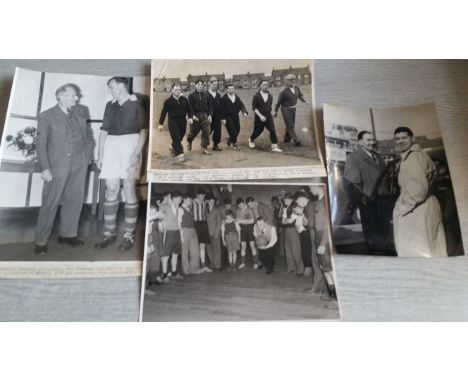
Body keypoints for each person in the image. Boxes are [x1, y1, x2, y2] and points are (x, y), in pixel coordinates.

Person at [34, 83, 95, 255]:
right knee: (50, 203)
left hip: (79, 164)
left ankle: (68, 235)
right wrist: (45, 168)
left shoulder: (81, 111)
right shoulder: (46, 116)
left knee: (74, 201)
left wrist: (87, 155)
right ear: (60, 96)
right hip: (57, 166)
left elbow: (89, 136)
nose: (77, 98)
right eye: (73, 95)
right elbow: (41, 144)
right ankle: (40, 241)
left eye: (76, 95)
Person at [95, 77, 148, 251]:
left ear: (120, 86)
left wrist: (136, 153)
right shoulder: (110, 105)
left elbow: (143, 130)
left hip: (130, 144)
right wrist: (100, 155)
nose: (109, 90)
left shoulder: (137, 103)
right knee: (111, 188)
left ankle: (128, 235)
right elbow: (103, 132)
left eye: (111, 87)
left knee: (128, 189)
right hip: (111, 144)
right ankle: (109, 234)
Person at [393, 126, 447, 257]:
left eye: (404, 138)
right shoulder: (416, 154)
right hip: (425, 205)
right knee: (432, 247)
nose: (401, 141)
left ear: (412, 138)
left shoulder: (413, 157)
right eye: (397, 138)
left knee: (418, 250)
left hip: (417, 209)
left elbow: (418, 189)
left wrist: (401, 209)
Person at [343, 130, 393, 254]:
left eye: (373, 140)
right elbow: (352, 182)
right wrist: (363, 198)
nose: (372, 143)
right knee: (373, 236)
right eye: (368, 140)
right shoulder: (353, 158)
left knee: (385, 232)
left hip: (383, 201)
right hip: (369, 202)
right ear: (360, 142)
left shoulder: (378, 157)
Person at [307, 185, 337, 300]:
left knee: (329, 267)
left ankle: (338, 296)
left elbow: (328, 225)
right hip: (318, 236)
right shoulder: (318, 201)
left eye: (311, 187)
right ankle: (332, 294)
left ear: (318, 187)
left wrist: (323, 244)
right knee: (323, 267)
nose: (310, 190)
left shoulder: (325, 201)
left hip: (324, 238)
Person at [296, 191, 325, 293]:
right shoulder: (310, 205)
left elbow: (312, 224)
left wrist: (306, 223)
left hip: (315, 234)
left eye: (298, 201)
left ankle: (317, 286)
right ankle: (318, 286)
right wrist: (306, 223)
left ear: (302, 198)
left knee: (316, 260)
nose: (298, 204)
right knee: (317, 260)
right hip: (314, 233)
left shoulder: (310, 206)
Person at [158, 84, 193, 163]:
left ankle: (172, 146)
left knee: (181, 134)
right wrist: (160, 124)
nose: (178, 91)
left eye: (179, 90)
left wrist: (190, 117)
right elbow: (163, 113)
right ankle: (180, 154)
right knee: (176, 136)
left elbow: (190, 109)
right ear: (172, 90)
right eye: (176, 89)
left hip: (182, 120)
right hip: (172, 121)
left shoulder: (184, 99)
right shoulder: (167, 101)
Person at [249, 80, 283, 153]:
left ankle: (274, 146)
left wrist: (272, 112)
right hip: (259, 116)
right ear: (260, 86)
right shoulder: (256, 96)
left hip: (268, 115)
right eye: (264, 85)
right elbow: (254, 108)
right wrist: (260, 116)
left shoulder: (270, 95)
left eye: (267, 84)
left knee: (272, 130)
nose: (265, 86)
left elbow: (269, 106)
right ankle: (251, 139)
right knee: (258, 131)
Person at [273, 73, 307, 146]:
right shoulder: (283, 91)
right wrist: (275, 111)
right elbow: (278, 102)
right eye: (291, 80)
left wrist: (304, 100)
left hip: (293, 108)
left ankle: (286, 139)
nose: (293, 81)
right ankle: (297, 141)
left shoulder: (296, 87)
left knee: (291, 125)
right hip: (285, 109)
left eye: (294, 79)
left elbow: (300, 95)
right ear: (286, 81)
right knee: (290, 125)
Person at [159, 191, 184, 282]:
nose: (180, 201)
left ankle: (174, 273)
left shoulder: (177, 207)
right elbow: (159, 216)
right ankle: (164, 275)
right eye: (179, 199)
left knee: (175, 254)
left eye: (181, 199)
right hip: (168, 232)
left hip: (176, 232)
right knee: (166, 255)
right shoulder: (164, 206)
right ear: (172, 198)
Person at [187, 80, 213, 155]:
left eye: (202, 84)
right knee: (193, 132)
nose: (200, 86)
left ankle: (204, 148)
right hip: (195, 115)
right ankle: (189, 140)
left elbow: (210, 106)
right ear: (195, 85)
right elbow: (189, 108)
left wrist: (210, 115)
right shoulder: (191, 95)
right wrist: (192, 116)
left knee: (206, 131)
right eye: (198, 84)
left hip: (205, 115)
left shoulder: (206, 95)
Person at [220, 83, 248, 151]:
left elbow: (241, 105)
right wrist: (223, 118)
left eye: (232, 89)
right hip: (228, 117)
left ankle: (230, 139)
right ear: (227, 90)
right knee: (232, 130)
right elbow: (221, 109)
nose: (232, 90)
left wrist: (244, 112)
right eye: (230, 89)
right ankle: (235, 144)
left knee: (237, 129)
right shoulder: (224, 98)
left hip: (235, 116)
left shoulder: (236, 97)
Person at [281, 194, 304, 276]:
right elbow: (282, 221)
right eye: (284, 200)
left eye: (286, 200)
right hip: (287, 230)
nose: (284, 202)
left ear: (291, 200)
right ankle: (291, 268)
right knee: (288, 250)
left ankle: (300, 270)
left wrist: (286, 220)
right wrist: (286, 219)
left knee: (295, 250)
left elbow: (290, 221)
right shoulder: (286, 208)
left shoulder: (296, 206)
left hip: (294, 230)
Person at [178, 194, 201, 274]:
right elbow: (179, 222)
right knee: (185, 251)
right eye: (188, 200)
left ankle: (194, 268)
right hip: (184, 230)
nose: (190, 202)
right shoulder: (180, 209)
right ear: (184, 200)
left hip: (192, 230)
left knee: (195, 250)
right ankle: (186, 270)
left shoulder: (190, 209)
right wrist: (181, 236)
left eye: (191, 200)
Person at [146, 194, 164, 288]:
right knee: (153, 256)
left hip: (155, 234)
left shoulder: (155, 208)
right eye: (158, 201)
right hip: (152, 233)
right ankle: (151, 278)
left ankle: (154, 276)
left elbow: (157, 221)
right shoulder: (150, 207)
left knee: (156, 255)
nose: (159, 203)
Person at [193, 188, 212, 272]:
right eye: (200, 195)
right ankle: (195, 266)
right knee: (195, 246)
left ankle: (203, 265)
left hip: (204, 224)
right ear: (197, 195)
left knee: (203, 246)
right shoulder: (192, 202)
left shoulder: (205, 202)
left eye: (203, 195)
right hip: (195, 224)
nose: (202, 197)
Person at [235, 197, 258, 269]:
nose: (240, 207)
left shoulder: (249, 209)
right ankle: (243, 262)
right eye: (239, 206)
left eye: (241, 205)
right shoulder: (237, 211)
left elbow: (252, 221)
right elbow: (237, 221)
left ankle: (255, 263)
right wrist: (243, 221)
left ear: (244, 203)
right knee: (243, 247)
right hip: (242, 230)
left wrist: (241, 221)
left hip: (250, 229)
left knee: (252, 246)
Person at [206, 193, 222, 270]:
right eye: (210, 200)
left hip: (215, 233)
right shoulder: (204, 209)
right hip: (206, 233)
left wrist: (216, 233)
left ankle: (217, 265)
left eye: (213, 200)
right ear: (207, 201)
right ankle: (212, 264)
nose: (211, 202)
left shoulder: (216, 209)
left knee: (216, 250)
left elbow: (219, 222)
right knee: (209, 249)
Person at [206, 77, 223, 151]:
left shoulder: (218, 95)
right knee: (208, 130)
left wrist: (222, 117)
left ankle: (215, 145)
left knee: (218, 130)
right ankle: (204, 144)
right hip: (208, 116)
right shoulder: (205, 94)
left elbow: (220, 105)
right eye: (214, 84)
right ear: (210, 84)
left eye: (216, 84)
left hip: (217, 116)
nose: (215, 86)